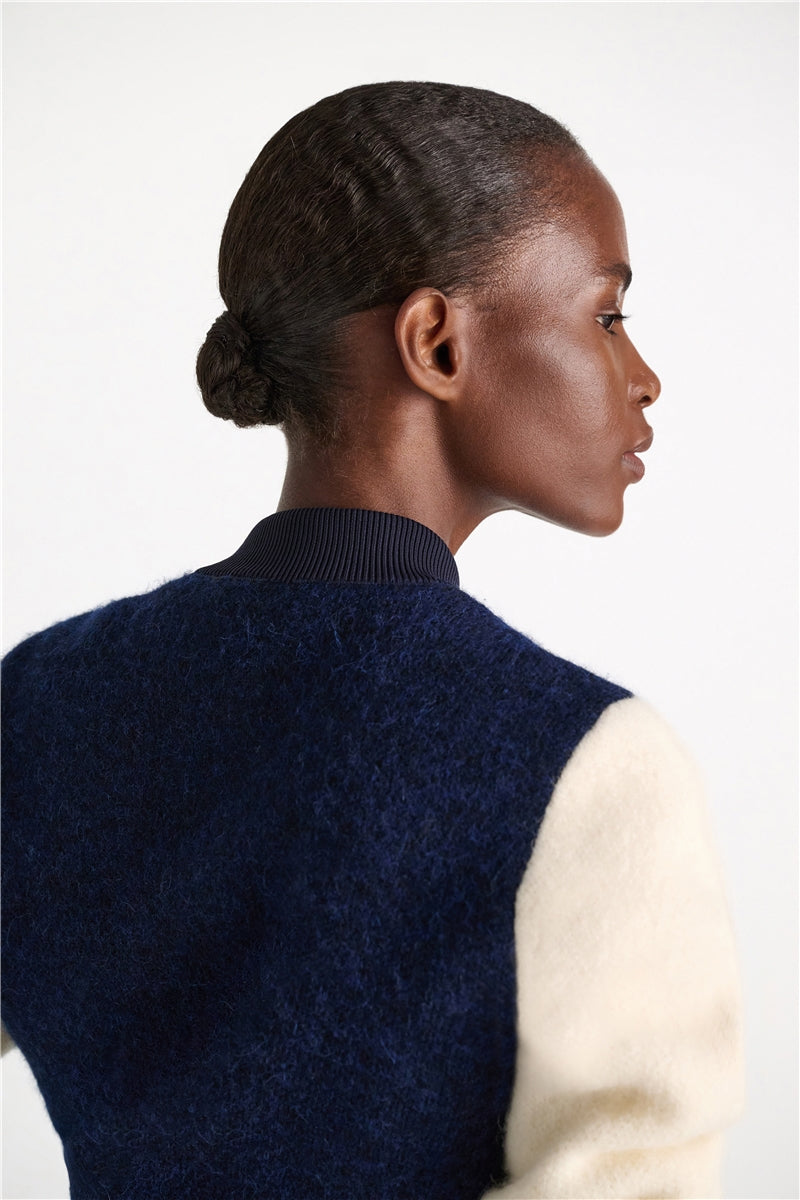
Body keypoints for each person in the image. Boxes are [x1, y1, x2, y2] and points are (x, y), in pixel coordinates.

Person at [1, 81, 745, 1199]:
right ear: (436, 342)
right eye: (605, 315)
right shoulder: (584, 760)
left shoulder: (41, 701)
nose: (642, 376)